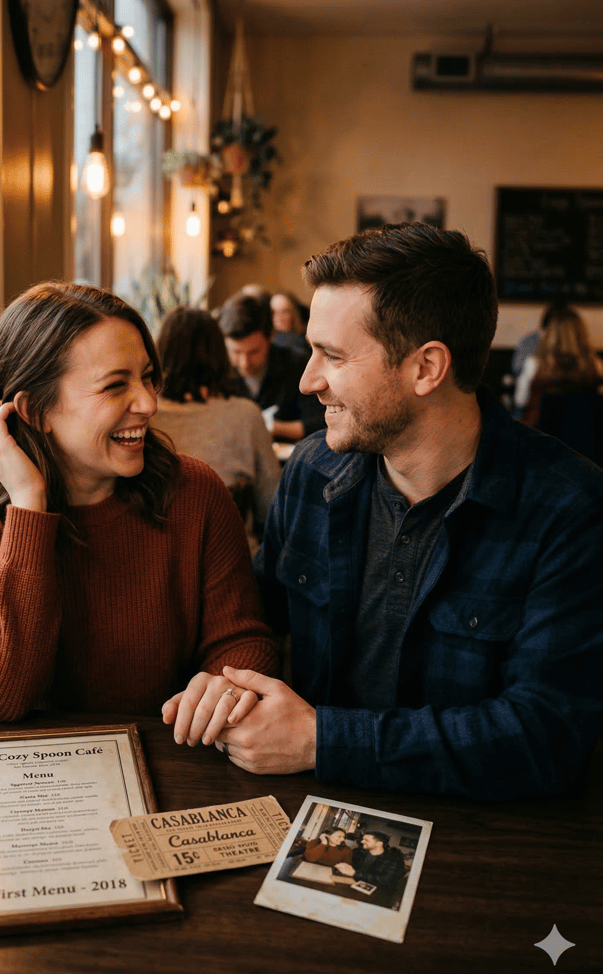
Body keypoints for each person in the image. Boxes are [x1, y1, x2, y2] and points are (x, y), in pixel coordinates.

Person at [164, 223, 603, 802]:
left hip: (481, 848)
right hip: (308, 813)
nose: (307, 379)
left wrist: (321, 740)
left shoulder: (568, 507)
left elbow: (545, 737)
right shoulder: (312, 471)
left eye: (333, 356)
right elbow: (253, 615)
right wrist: (225, 678)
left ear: (426, 368)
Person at [0, 281, 278, 730]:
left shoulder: (195, 490)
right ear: (35, 411)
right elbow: (1, 695)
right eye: (115, 386)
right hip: (29, 780)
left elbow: (243, 640)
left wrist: (222, 690)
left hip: (171, 755)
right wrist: (30, 508)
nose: (149, 403)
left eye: (148, 376)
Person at [150, 307, 281, 527]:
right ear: (220, 355)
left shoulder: (144, 416)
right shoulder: (246, 415)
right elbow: (272, 505)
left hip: (158, 554)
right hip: (235, 553)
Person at [218, 292, 324, 441]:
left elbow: (317, 423)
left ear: (271, 336)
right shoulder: (217, 371)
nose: (244, 363)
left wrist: (271, 427)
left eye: (254, 352)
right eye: (236, 352)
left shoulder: (296, 363)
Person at [514, 305, 603, 462]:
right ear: (581, 334)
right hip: (588, 451)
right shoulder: (596, 366)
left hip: (545, 451)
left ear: (548, 334)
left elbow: (520, 401)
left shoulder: (534, 365)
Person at [333, 832, 405, 906]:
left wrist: (355, 873)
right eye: (363, 839)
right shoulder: (358, 852)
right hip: (351, 890)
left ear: (379, 843)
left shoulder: (394, 860)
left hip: (376, 899)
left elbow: (386, 881)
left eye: (366, 840)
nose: (362, 841)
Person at [270, 290, 311, 358]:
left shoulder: (307, 337)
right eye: (274, 313)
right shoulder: (273, 343)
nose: (279, 318)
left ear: (294, 314)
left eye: (284, 312)